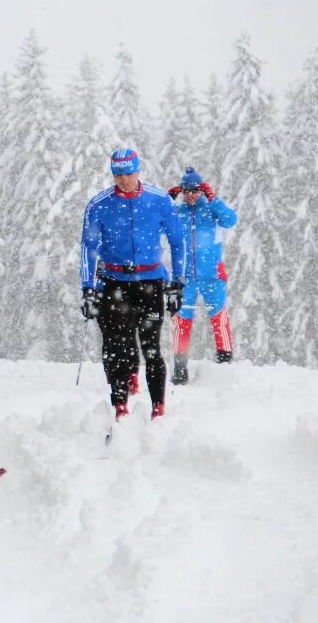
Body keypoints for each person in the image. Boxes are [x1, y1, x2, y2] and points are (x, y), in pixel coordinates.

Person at [80, 147, 185, 420]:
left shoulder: (159, 200)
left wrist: (177, 283)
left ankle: (158, 408)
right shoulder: (99, 204)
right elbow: (88, 247)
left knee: (151, 347)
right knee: (119, 345)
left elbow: (177, 241)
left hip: (150, 281)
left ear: (138, 170)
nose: (123, 179)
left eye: (128, 172)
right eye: (117, 174)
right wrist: (87, 288)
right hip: (115, 283)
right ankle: (120, 406)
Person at [167, 166, 238, 383]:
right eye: (186, 191)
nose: (190, 195)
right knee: (182, 320)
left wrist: (214, 199)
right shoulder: (177, 212)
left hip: (212, 277)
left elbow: (231, 219)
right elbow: (156, 225)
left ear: (202, 190)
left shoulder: (212, 210)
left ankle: (225, 362)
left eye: (195, 191)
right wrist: (166, 200)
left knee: (219, 317)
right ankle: (179, 367)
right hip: (185, 278)